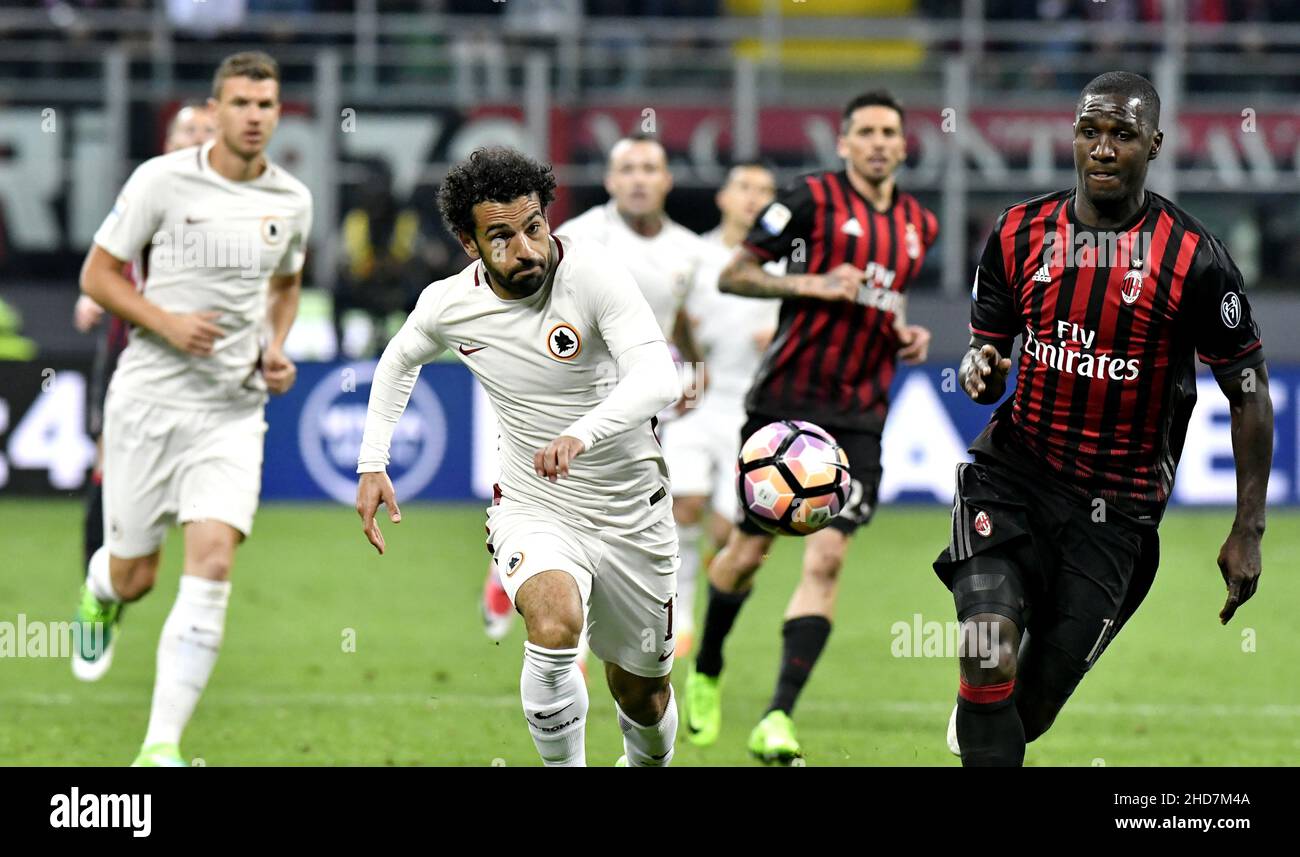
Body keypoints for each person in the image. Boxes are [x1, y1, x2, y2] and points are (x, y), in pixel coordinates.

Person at [939, 72, 1270, 766]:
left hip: (1117, 513)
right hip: (1014, 475)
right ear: (1073, 137)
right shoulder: (1018, 232)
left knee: (1028, 707)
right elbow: (986, 349)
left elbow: (1248, 391)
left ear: (1154, 143)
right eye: (1090, 130)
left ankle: (989, 712)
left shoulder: (1194, 258)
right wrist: (980, 367)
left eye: (1122, 134)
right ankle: (985, 688)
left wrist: (1247, 528)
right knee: (988, 649)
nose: (1102, 148)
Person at [356, 147, 682, 767]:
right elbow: (397, 361)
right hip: (536, 505)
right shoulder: (450, 305)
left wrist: (582, 434)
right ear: (469, 243)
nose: (526, 248)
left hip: (632, 512)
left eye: (533, 226)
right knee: (554, 625)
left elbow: (659, 379)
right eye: (500, 236)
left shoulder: (594, 275)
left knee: (640, 691)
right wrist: (373, 461)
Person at [71, 52, 313, 767]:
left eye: (265, 105)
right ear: (214, 110)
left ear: (277, 111)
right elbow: (96, 275)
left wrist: (276, 346)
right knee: (134, 574)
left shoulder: (293, 200)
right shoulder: (160, 180)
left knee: (211, 564)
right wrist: (165, 321)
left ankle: (160, 745)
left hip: (233, 409)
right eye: (240, 103)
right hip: (149, 398)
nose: (253, 116)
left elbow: (288, 283)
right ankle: (98, 590)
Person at [685, 91, 937, 764]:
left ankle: (776, 717)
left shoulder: (918, 224)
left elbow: (888, 298)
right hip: (787, 408)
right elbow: (735, 275)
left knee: (827, 557)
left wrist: (903, 333)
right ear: (846, 143)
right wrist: (813, 283)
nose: (880, 142)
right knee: (748, 554)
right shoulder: (807, 200)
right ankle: (707, 664)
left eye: (891, 131)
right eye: (867, 132)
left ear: (904, 145)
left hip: (860, 415)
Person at [478, 132, 707, 648]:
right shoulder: (578, 237)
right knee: (561, 506)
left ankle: (663, 614)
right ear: (610, 181)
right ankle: (527, 594)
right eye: (627, 170)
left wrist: (695, 364)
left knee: (654, 501)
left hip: (639, 394)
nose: (638, 180)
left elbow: (677, 318)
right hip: (576, 390)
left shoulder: (687, 251)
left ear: (667, 180)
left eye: (649, 169)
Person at [74, 101, 217, 577]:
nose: (198, 138)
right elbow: (108, 260)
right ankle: (93, 583)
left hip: (201, 358)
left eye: (207, 131)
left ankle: (175, 581)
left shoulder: (236, 203)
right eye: (189, 130)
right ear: (169, 143)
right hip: (132, 346)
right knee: (109, 461)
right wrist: (94, 297)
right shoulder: (148, 191)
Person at [661, 160, 780, 658]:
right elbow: (671, 320)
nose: (752, 197)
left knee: (730, 530)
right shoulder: (695, 256)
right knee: (683, 503)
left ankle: (711, 596)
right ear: (723, 198)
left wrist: (777, 339)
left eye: (763, 190)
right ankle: (681, 613)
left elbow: (794, 336)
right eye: (744, 187)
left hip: (751, 412)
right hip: (696, 401)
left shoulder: (781, 267)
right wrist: (687, 344)